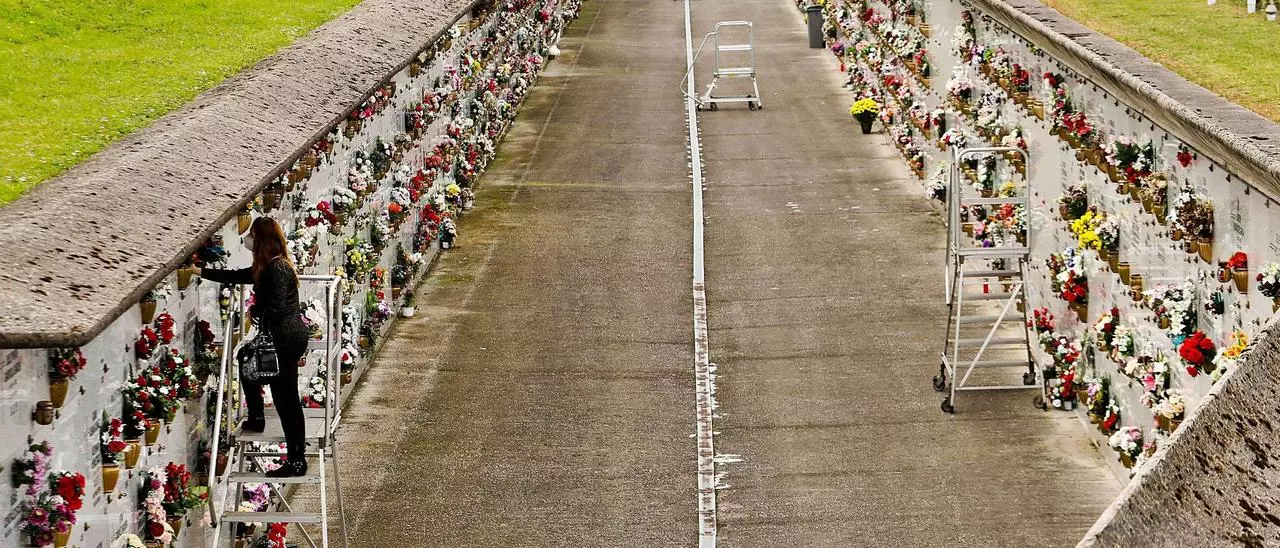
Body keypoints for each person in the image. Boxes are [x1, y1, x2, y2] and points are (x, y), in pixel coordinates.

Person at [196, 217, 309, 477]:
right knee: (250, 363)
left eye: (252, 236)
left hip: (284, 339)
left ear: (262, 240)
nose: (248, 240)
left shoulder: (277, 269)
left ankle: (296, 460)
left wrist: (256, 310)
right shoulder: (269, 266)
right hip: (283, 337)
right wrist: (199, 271)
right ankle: (259, 419)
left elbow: (278, 307)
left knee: (286, 400)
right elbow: (236, 276)